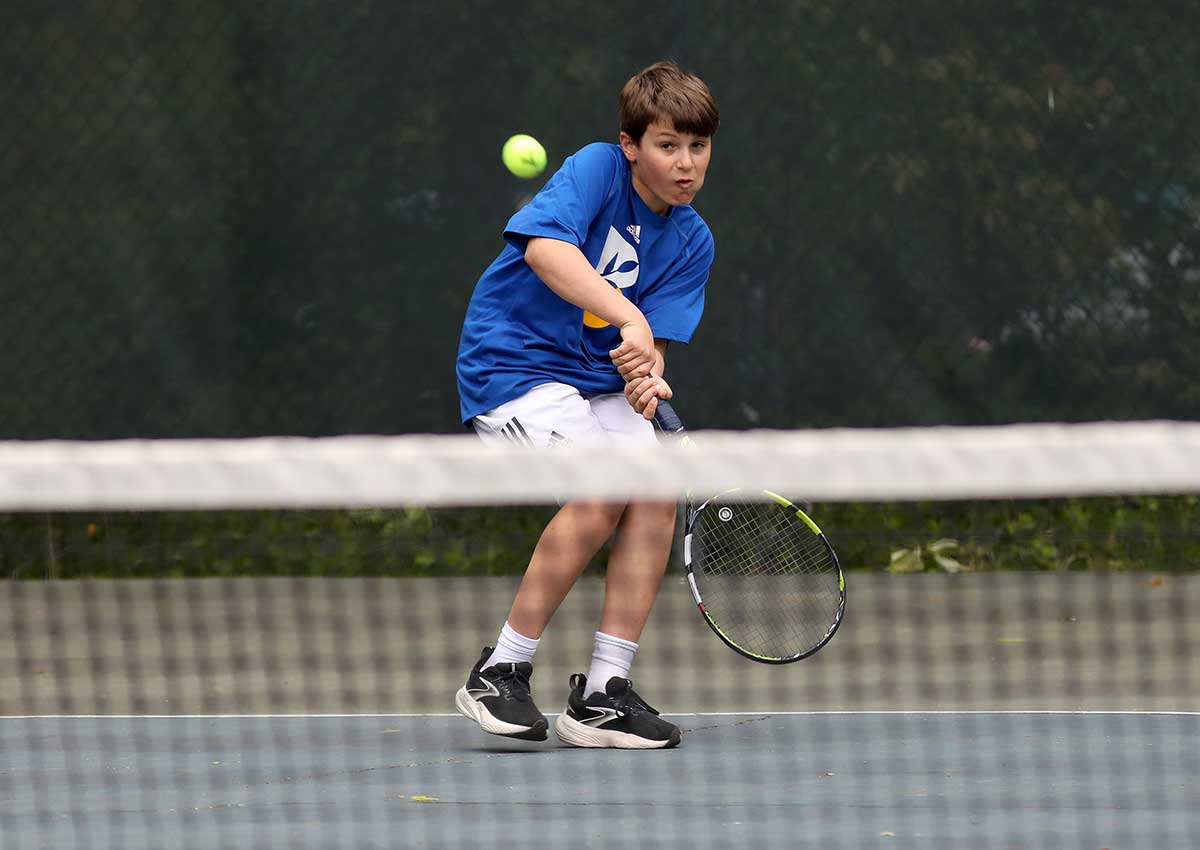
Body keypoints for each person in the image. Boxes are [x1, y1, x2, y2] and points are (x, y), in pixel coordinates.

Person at [454, 61, 719, 749]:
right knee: (604, 487)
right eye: (668, 145)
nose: (686, 164)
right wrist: (629, 318)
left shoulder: (693, 241)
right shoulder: (598, 169)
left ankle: (603, 694)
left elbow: (650, 348)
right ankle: (501, 670)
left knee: (653, 488)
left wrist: (647, 375)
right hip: (513, 366)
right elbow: (544, 251)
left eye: (698, 147)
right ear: (631, 145)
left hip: (595, 381)